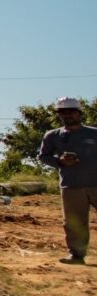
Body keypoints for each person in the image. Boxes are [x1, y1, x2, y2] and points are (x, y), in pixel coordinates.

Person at [38, 97, 97, 265]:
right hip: (71, 185)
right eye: (63, 112)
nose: (67, 115)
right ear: (59, 115)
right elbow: (43, 156)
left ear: (79, 113)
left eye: (71, 111)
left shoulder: (94, 133)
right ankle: (77, 255)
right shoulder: (53, 136)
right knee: (74, 222)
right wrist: (60, 162)